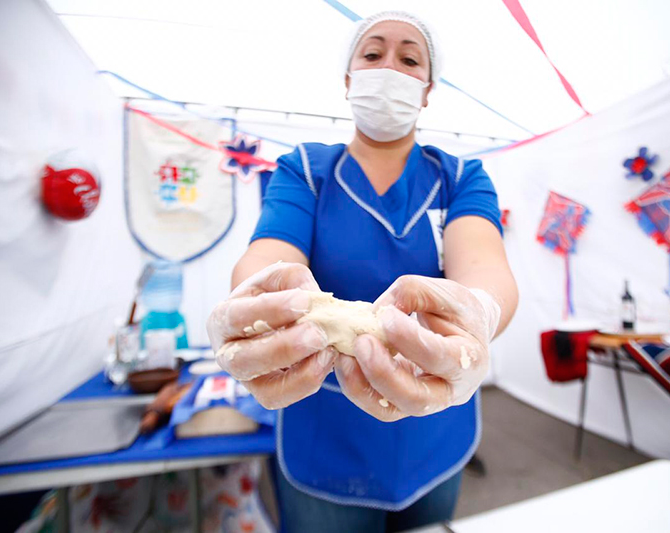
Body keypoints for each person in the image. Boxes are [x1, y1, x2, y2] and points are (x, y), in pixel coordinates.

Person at [206, 10, 518, 532]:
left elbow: (486, 266)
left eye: (410, 59)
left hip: (434, 428)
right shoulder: (307, 170)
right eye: (373, 54)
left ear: (427, 91)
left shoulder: (461, 178)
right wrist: (255, 301)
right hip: (325, 429)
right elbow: (268, 254)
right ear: (349, 80)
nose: (390, 67)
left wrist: (480, 313)